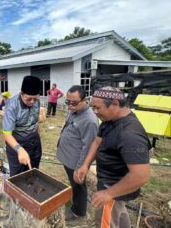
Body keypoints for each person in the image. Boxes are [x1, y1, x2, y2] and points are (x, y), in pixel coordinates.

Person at [74, 86, 150, 228]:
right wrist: (85, 165)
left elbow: (141, 175)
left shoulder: (129, 134)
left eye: (97, 108)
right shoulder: (110, 120)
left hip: (115, 188)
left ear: (115, 103)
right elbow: (97, 142)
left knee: (105, 223)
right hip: (109, 184)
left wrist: (109, 193)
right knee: (119, 214)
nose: (94, 112)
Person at [57, 85, 99, 221]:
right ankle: (75, 203)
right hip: (69, 159)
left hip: (76, 162)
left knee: (79, 186)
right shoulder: (75, 111)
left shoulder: (90, 120)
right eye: (67, 102)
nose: (70, 106)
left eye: (73, 103)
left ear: (84, 100)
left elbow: (89, 148)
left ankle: (78, 212)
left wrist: (80, 167)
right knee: (74, 184)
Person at [3, 75, 42, 176]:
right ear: (22, 93)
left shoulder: (36, 102)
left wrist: (37, 137)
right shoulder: (12, 105)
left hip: (34, 142)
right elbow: (7, 134)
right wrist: (19, 150)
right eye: (29, 99)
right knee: (17, 176)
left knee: (33, 172)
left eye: (35, 99)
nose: (32, 102)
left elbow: (36, 122)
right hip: (17, 143)